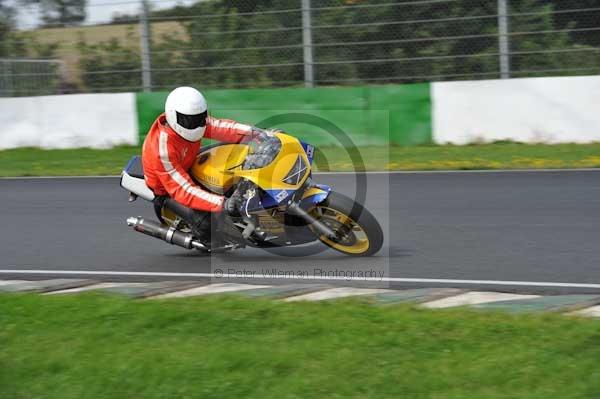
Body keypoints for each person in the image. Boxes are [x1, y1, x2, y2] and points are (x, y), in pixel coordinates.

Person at [142, 86, 252, 242]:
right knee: (211, 225)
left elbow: (223, 127)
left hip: (188, 164)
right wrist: (223, 203)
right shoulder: (162, 149)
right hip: (168, 189)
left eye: (199, 118)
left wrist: (257, 133)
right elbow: (183, 190)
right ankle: (206, 239)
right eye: (189, 120)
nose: (196, 124)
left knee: (234, 160)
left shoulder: (196, 123)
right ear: (173, 116)